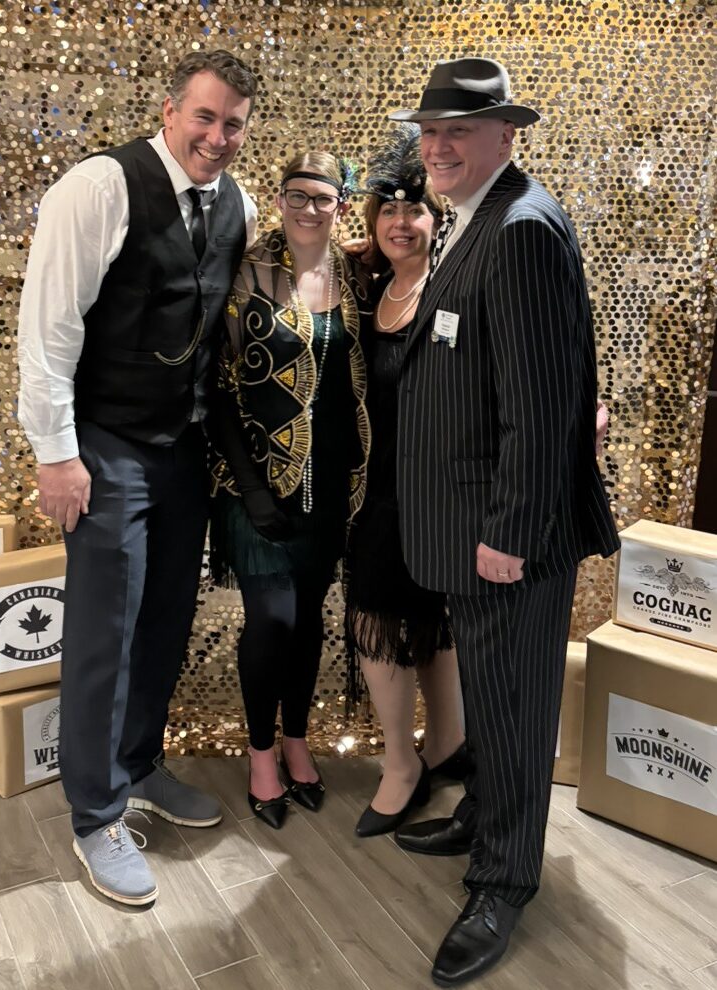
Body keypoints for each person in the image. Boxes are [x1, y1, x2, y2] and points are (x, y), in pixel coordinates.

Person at [390, 58, 620, 986]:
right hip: (468, 522)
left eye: (457, 131)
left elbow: (544, 402)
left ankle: (504, 881)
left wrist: (512, 533)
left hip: (505, 535)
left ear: (504, 136)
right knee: (492, 693)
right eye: (429, 131)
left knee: (518, 706)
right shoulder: (474, 216)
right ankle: (488, 816)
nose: (437, 147)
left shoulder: (520, 227)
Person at [17, 49, 259, 907]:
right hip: (105, 441)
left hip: (182, 444)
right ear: (170, 111)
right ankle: (94, 813)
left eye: (233, 123)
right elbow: (47, 326)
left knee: (163, 618)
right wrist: (56, 452)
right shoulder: (99, 186)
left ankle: (137, 765)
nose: (218, 137)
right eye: (205, 117)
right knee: (102, 631)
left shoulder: (239, 203)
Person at [210, 152, 371, 829]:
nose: (309, 209)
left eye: (324, 198)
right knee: (272, 619)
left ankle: (298, 739)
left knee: (309, 619)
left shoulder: (359, 276)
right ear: (278, 199)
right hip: (257, 484)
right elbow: (215, 389)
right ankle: (260, 754)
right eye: (296, 195)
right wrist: (249, 490)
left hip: (334, 481)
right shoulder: (243, 272)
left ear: (341, 206)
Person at [343, 125, 471, 839]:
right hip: (377, 495)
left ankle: (446, 745)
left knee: (435, 618)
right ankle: (402, 763)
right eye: (387, 211)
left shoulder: (455, 288)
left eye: (414, 209)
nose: (401, 221)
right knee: (378, 617)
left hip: (445, 495)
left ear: (435, 217)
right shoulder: (368, 290)